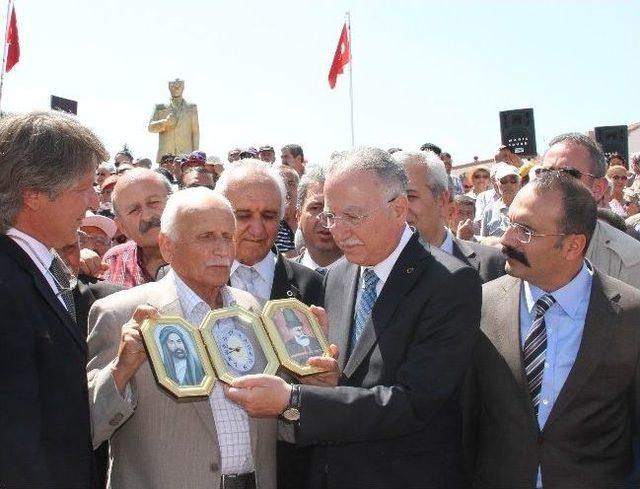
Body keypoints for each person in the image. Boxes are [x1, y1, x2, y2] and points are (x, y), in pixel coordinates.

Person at [226, 147, 482, 489]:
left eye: (353, 216)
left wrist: (294, 399)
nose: (339, 231)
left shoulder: (449, 283)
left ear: (398, 209)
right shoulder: (336, 275)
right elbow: (352, 382)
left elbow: (413, 402)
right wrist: (326, 379)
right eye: (332, 216)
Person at [87, 187, 276, 489]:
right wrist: (121, 370)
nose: (221, 250)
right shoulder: (120, 314)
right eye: (206, 237)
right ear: (167, 246)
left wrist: (312, 382)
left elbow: (286, 422)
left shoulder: (256, 311)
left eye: (227, 237)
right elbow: (88, 427)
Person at [463, 171, 640, 488]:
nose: (507, 240)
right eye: (511, 223)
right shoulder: (480, 304)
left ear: (573, 245)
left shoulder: (629, 314)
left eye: (526, 232)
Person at [0, 111, 107, 488]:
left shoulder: (40, 263)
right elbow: (14, 442)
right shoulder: (7, 283)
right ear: (33, 194)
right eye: (83, 188)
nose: (94, 201)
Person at [542, 132, 640, 289]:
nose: (552, 183)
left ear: (598, 188)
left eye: (567, 173)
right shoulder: (518, 245)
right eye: (545, 173)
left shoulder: (629, 259)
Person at [396, 150, 506, 283]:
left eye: (410, 196)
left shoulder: (493, 265)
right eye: (390, 200)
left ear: (442, 200)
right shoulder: (374, 269)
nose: (398, 209)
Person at [102, 168, 172, 287]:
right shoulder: (112, 262)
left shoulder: (205, 253)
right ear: (122, 226)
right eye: (134, 210)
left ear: (174, 203)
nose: (147, 216)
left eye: (154, 202)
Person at [293, 165, 343, 271]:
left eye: (333, 209)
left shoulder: (366, 281)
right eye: (315, 208)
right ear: (298, 216)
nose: (325, 218)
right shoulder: (278, 276)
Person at [148, 79, 200, 163]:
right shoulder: (160, 107)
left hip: (186, 156)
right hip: (166, 156)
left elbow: (195, 132)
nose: (176, 88)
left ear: (183, 87)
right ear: (169, 87)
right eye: (173, 86)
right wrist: (165, 122)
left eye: (179, 86)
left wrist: (195, 156)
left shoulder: (192, 108)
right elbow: (150, 128)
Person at [480, 164, 521, 238]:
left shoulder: (530, 207)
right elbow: (484, 242)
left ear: (520, 183)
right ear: (496, 184)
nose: (508, 184)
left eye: (513, 181)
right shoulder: (489, 210)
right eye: (504, 181)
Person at [275, 165, 300, 254]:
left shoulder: (306, 220)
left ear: (299, 188)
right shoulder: (271, 224)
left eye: (291, 183)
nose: (286, 188)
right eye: (281, 183)